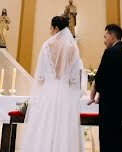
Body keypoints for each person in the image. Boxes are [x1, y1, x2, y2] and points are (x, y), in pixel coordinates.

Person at [20, 16, 84, 152]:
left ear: (56, 28)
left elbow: (41, 76)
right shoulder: (73, 48)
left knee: (44, 126)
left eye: (51, 28)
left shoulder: (47, 46)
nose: (50, 31)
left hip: (48, 92)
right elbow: (74, 78)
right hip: (65, 94)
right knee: (64, 127)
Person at [89, 23, 122, 152]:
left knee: (108, 141)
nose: (104, 40)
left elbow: (101, 78)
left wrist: (96, 94)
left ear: (112, 36)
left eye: (105, 36)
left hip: (109, 106)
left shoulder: (109, 52)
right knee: (120, 141)